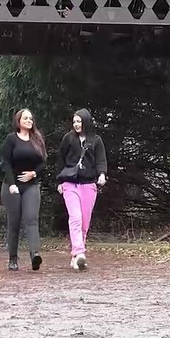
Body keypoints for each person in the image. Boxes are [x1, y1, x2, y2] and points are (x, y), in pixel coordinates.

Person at [55, 108, 107, 271]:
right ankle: (79, 252)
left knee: (84, 222)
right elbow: (60, 159)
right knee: (75, 218)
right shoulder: (68, 139)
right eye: (74, 122)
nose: (76, 124)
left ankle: (76, 258)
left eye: (79, 121)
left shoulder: (96, 140)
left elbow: (101, 160)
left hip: (89, 184)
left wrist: (102, 174)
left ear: (86, 122)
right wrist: (59, 181)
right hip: (70, 184)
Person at [0, 108, 46, 271]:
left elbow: (43, 162)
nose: (29, 121)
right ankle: (13, 258)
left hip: (31, 185)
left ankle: (35, 254)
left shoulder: (37, 139)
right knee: (14, 222)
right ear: (18, 121)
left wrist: (33, 173)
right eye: (25, 118)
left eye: (31, 118)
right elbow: (6, 163)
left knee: (31, 219)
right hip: (12, 186)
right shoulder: (11, 139)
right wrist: (12, 184)